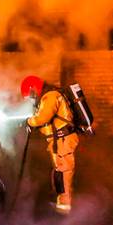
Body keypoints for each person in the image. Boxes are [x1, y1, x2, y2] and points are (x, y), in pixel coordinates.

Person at [22, 75, 79, 212]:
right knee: (59, 171)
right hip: (59, 141)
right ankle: (61, 202)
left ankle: (65, 209)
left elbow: (42, 118)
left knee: (64, 172)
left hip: (63, 141)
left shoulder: (51, 96)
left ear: (33, 89)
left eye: (30, 96)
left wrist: (29, 121)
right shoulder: (48, 96)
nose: (31, 100)